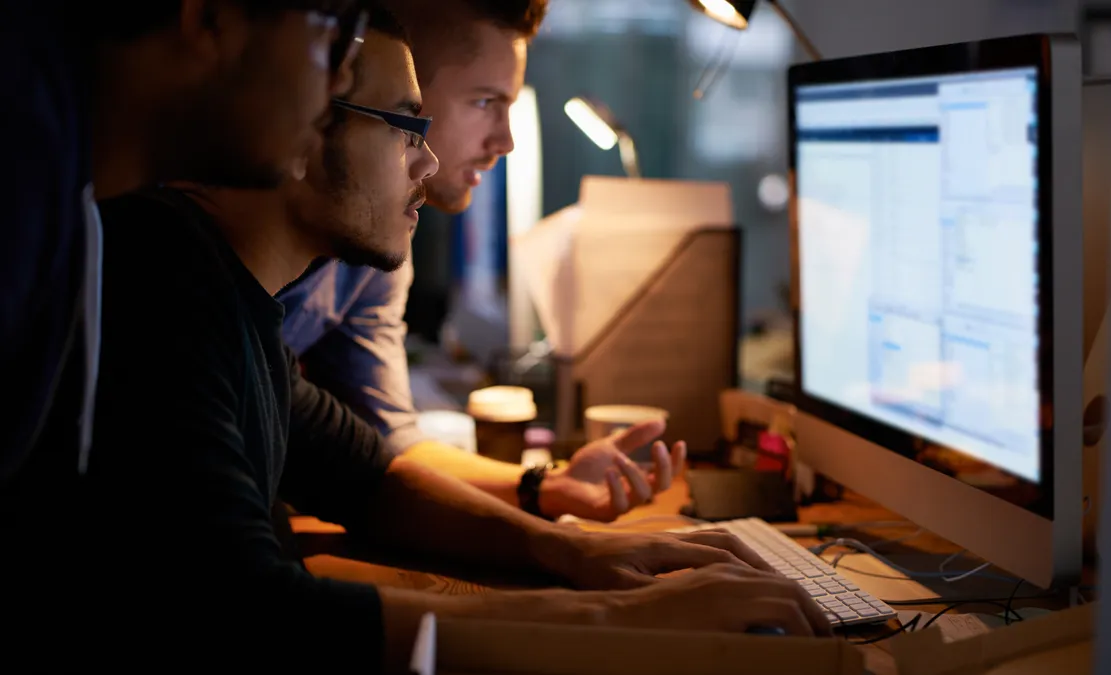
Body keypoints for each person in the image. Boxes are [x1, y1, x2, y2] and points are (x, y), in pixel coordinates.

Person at [32, 8, 829, 671]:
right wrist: (627, 622)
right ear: (314, 128)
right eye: (409, 125)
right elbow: (254, 616)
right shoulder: (161, 278)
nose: (430, 157)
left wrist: (579, 557)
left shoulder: (240, 306)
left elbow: (372, 474)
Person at [277, 0, 667, 523]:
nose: (504, 142)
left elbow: (386, 443)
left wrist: (545, 485)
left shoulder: (374, 248)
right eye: (485, 101)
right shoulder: (194, 262)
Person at [0, 0, 367, 488]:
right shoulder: (21, 162)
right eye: (335, 36)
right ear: (212, 17)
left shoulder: (67, 181)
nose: (342, 81)